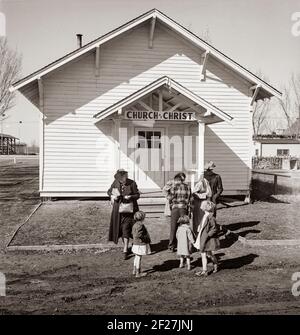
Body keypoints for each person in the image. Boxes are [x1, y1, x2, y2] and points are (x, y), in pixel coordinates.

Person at [107, 169, 140, 259]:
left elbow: (137, 195)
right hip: (119, 211)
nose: (122, 181)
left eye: (123, 178)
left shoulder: (132, 183)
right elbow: (109, 191)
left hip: (130, 210)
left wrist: (131, 197)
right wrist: (113, 196)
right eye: (120, 179)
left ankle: (132, 246)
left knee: (130, 228)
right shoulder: (116, 182)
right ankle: (126, 248)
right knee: (122, 229)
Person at [193, 200, 220, 277]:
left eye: (202, 206)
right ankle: (215, 264)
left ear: (205, 207)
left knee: (204, 254)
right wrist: (199, 226)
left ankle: (205, 270)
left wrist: (208, 235)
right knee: (208, 254)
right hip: (202, 237)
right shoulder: (205, 215)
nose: (201, 207)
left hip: (207, 238)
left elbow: (214, 228)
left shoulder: (211, 217)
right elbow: (203, 224)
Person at [168, 172, 191, 252]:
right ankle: (184, 244)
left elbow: (170, 197)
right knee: (183, 226)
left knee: (173, 227)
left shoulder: (173, 187)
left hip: (175, 208)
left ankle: (171, 245)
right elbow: (189, 198)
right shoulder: (187, 186)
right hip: (183, 208)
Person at [131, 211, 151, 278]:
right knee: (139, 258)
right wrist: (144, 238)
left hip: (135, 243)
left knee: (136, 257)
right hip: (140, 244)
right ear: (142, 218)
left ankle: (134, 270)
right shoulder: (140, 225)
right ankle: (138, 272)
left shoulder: (135, 224)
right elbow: (138, 234)